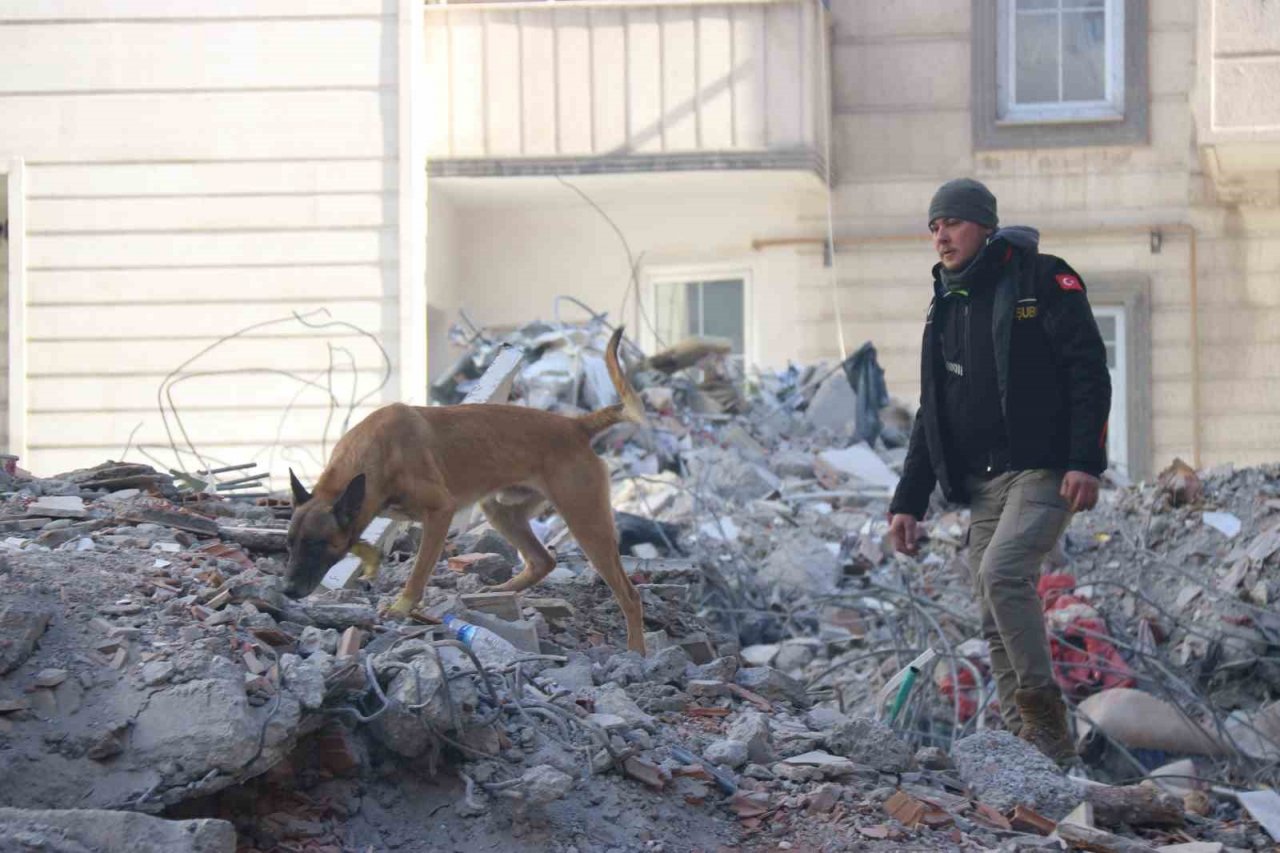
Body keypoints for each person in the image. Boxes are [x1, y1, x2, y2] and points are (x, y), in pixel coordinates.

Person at [887, 178, 1111, 763]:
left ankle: (1045, 719)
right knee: (991, 603)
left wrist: (1084, 461)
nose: (941, 236)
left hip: (1044, 469)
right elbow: (932, 412)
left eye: (953, 223)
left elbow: (1089, 371)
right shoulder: (945, 304)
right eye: (934, 226)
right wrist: (908, 501)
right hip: (984, 481)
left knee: (1003, 571)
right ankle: (1028, 750)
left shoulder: (1043, 279)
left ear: (985, 226)